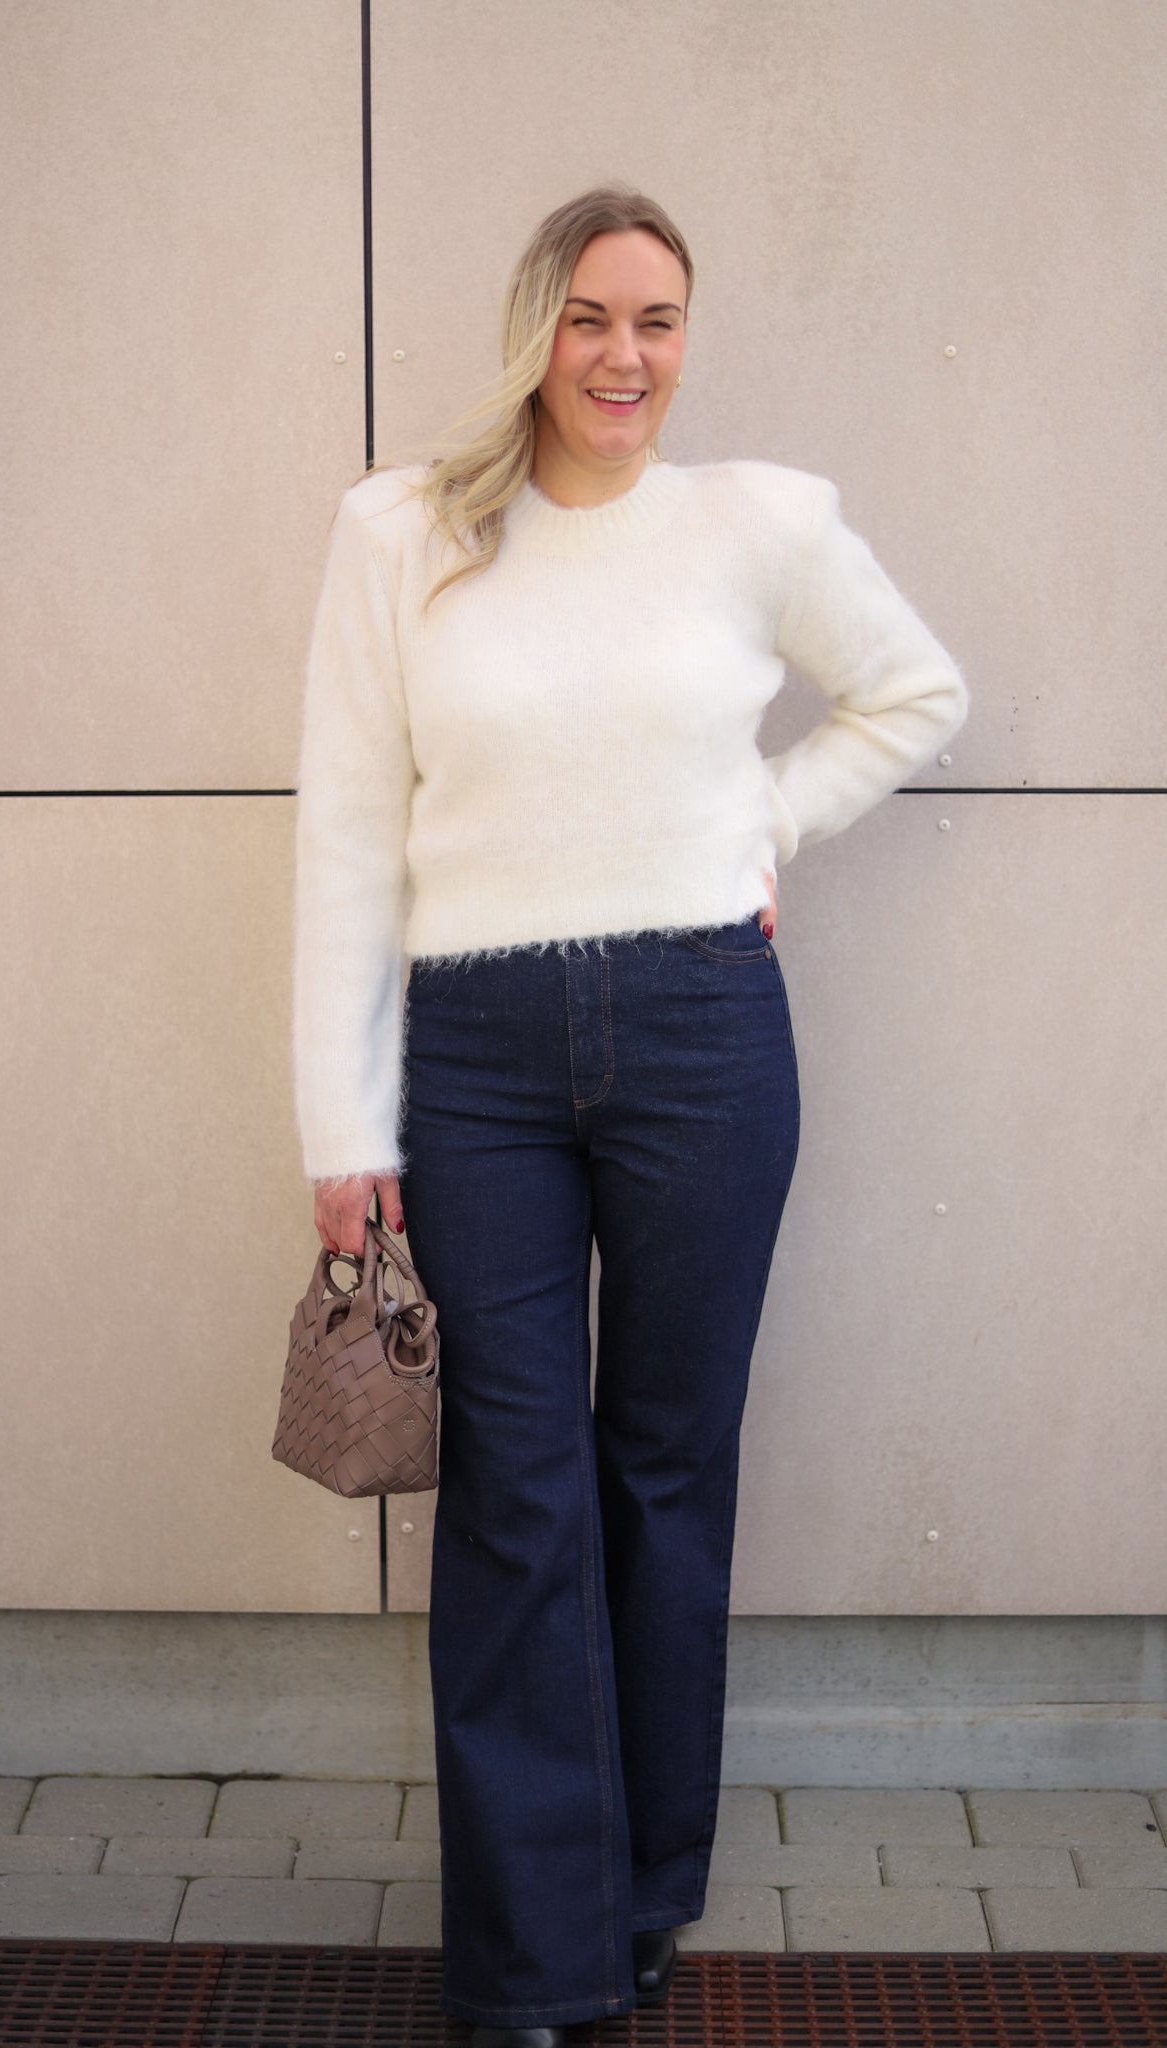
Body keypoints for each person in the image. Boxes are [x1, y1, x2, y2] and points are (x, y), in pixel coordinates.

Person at [290, 184, 968, 2048]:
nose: (622, 356)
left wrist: (770, 823)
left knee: (666, 1467)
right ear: (536, 330)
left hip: (700, 1037)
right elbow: (344, 837)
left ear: (686, 339)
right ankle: (533, 1955)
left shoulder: (761, 522)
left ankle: (648, 1885)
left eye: (656, 320)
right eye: (590, 318)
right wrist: (343, 1129)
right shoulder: (403, 534)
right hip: (474, 1058)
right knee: (517, 1488)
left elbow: (913, 691)